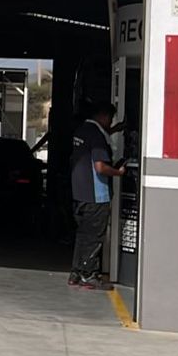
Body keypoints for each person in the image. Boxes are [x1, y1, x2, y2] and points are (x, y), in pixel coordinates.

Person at [68, 101, 125, 289]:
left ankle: (76, 273)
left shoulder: (82, 130)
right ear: (104, 116)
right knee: (94, 237)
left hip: (79, 194)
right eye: (110, 119)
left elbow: (95, 140)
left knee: (82, 235)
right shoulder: (97, 136)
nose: (110, 123)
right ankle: (89, 275)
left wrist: (115, 130)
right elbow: (100, 167)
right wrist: (118, 172)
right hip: (96, 195)